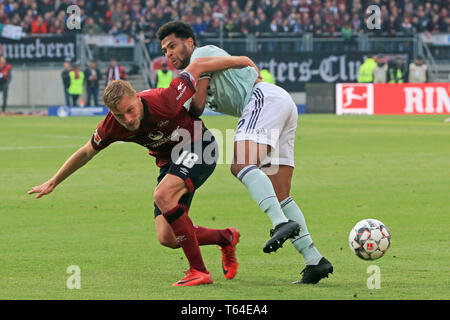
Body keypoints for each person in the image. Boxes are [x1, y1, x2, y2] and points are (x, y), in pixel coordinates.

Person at [28, 55, 256, 287]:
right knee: (167, 237)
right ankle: (226, 237)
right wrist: (54, 181)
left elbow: (198, 66)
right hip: (170, 162)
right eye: (119, 115)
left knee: (162, 194)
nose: (127, 119)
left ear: (137, 98)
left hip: (199, 145)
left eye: (130, 110)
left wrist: (243, 61)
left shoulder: (165, 99)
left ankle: (199, 271)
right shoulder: (112, 125)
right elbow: (87, 151)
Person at [157, 21, 333, 284]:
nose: (169, 54)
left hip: (261, 99)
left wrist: (174, 103)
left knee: (240, 165)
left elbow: (198, 107)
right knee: (281, 194)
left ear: (190, 42)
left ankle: (279, 223)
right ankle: (315, 261)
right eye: (164, 50)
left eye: (173, 45)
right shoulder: (197, 66)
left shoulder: (199, 56)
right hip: (278, 103)